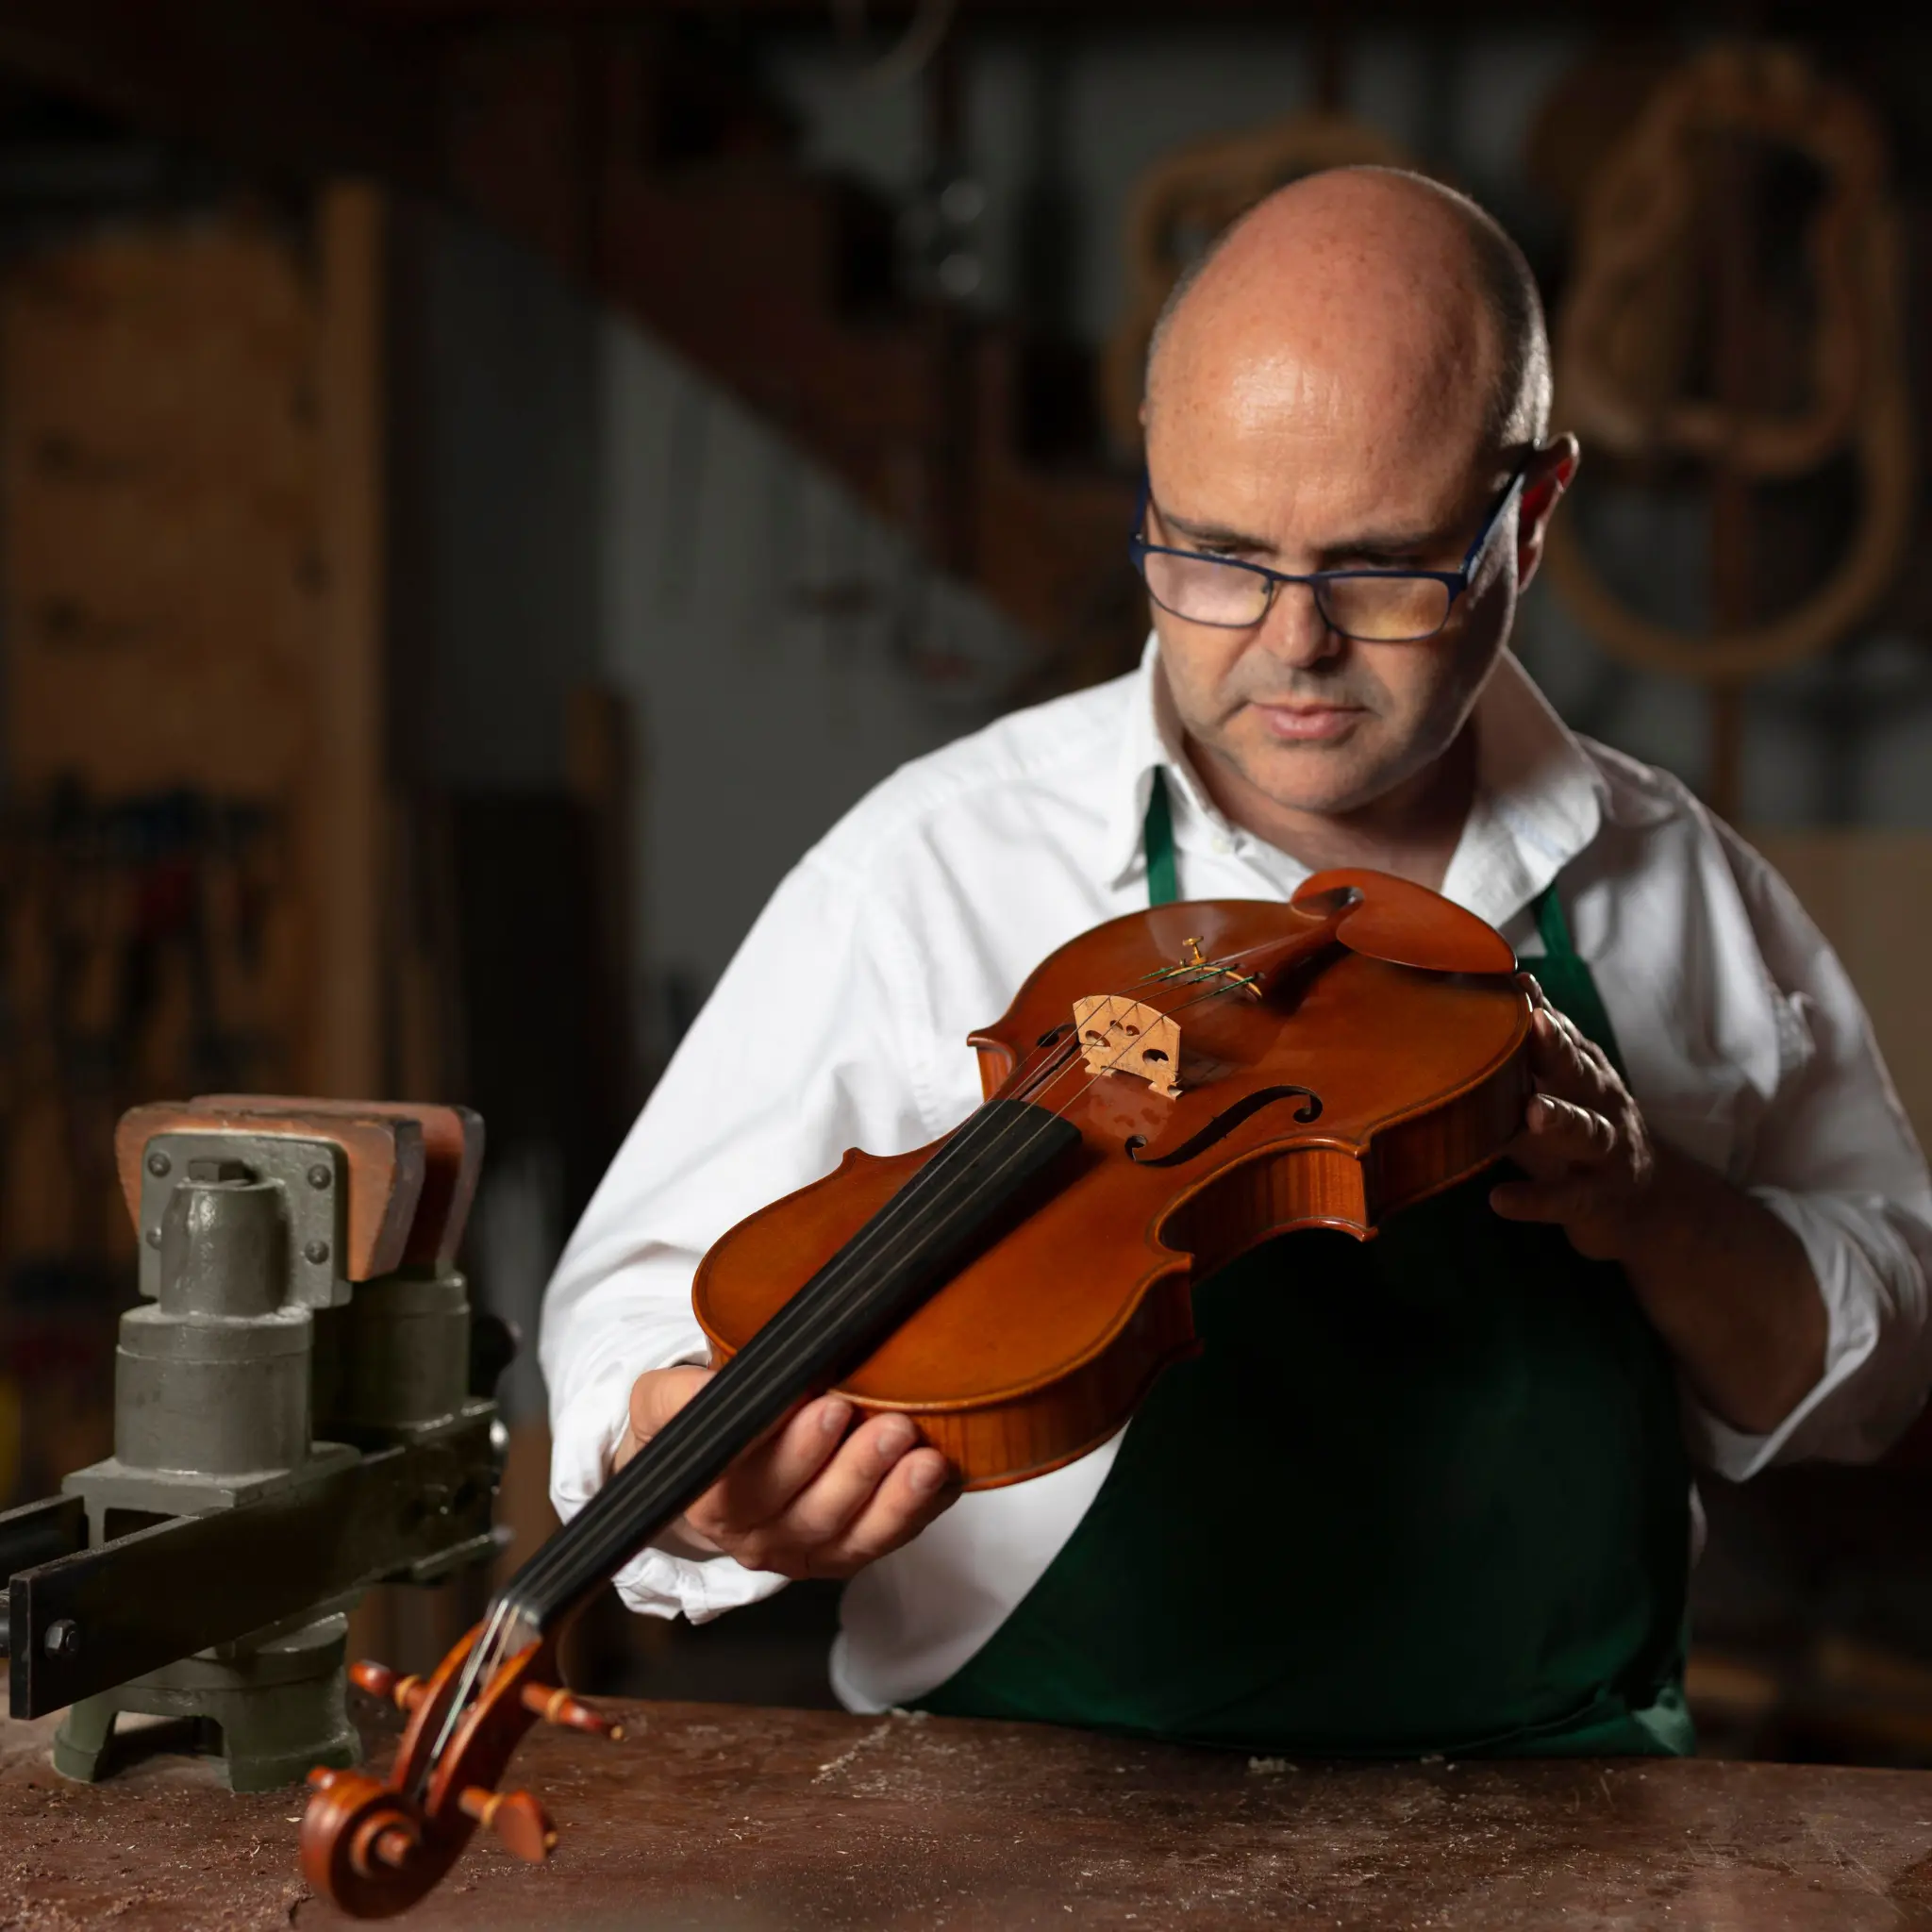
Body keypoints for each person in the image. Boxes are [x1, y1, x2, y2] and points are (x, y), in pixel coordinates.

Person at [540, 168, 1932, 1757]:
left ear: (1528, 519)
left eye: (1378, 566)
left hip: (1579, 1836)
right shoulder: (931, 868)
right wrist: (701, 1489)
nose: (1289, 643)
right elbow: (628, 1322)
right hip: (1027, 1837)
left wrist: (1654, 1203)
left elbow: (1887, 1367)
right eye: (1212, 554)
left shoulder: (1675, 888)